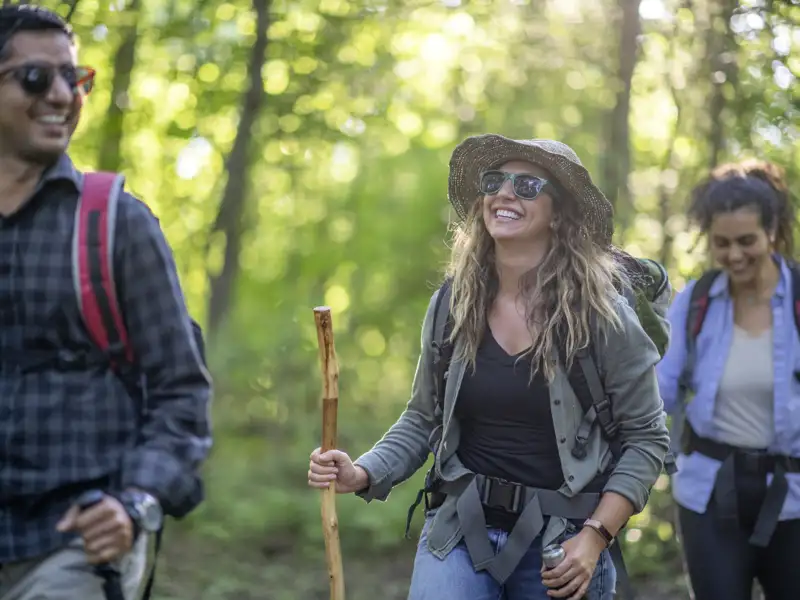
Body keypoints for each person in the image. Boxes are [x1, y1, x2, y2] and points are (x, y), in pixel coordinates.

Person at [307, 134, 670, 600]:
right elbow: (423, 418)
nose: (504, 193)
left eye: (527, 185)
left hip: (564, 544)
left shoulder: (601, 316)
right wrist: (361, 472)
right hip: (460, 530)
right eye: (494, 181)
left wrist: (596, 536)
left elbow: (646, 438)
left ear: (559, 213)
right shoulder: (453, 305)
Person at [0, 5, 212, 599]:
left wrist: (135, 502)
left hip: (80, 546)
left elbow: (181, 393)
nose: (61, 95)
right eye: (36, 78)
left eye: (74, 77)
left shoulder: (116, 224)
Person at [656, 159, 800, 600]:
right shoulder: (695, 303)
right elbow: (658, 393)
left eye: (746, 241)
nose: (734, 255)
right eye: (722, 243)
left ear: (771, 231)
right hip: (709, 495)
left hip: (794, 497)